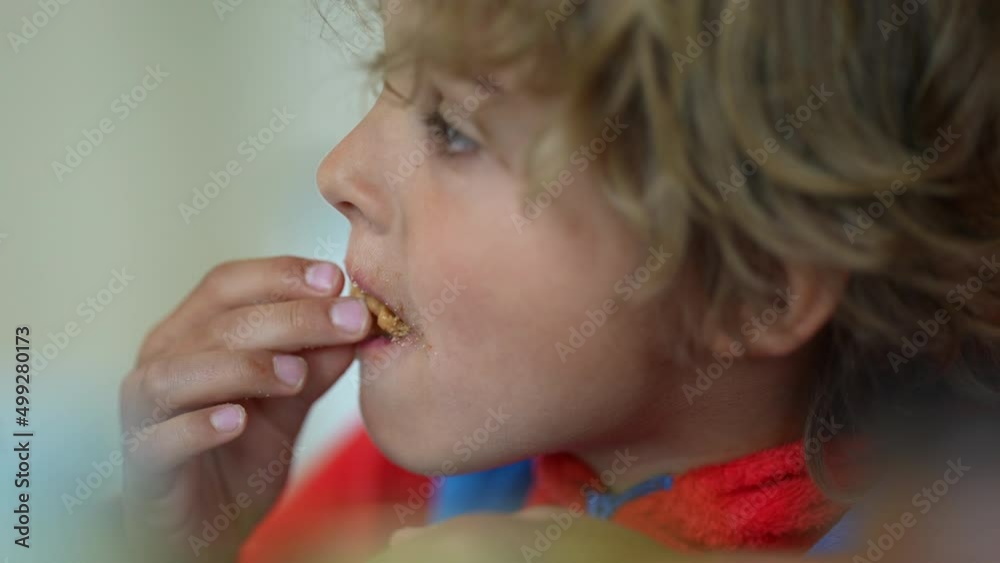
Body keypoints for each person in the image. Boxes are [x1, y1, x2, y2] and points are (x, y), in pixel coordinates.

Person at [118, 1, 1000, 562]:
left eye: (454, 130)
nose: (338, 169)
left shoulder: (935, 528)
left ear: (752, 286)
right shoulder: (394, 485)